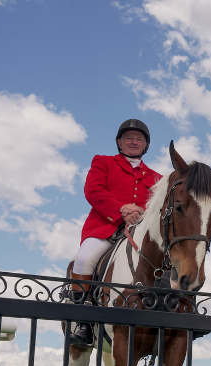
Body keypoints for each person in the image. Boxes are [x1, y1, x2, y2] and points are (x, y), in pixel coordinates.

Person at [69, 119, 162, 346]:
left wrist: (141, 210)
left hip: (138, 233)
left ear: (146, 145)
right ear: (119, 142)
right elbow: (93, 191)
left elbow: (159, 206)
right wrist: (121, 210)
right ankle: (84, 321)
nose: (134, 142)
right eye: (129, 138)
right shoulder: (103, 162)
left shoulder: (156, 177)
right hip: (105, 228)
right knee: (83, 259)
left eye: (139, 139)